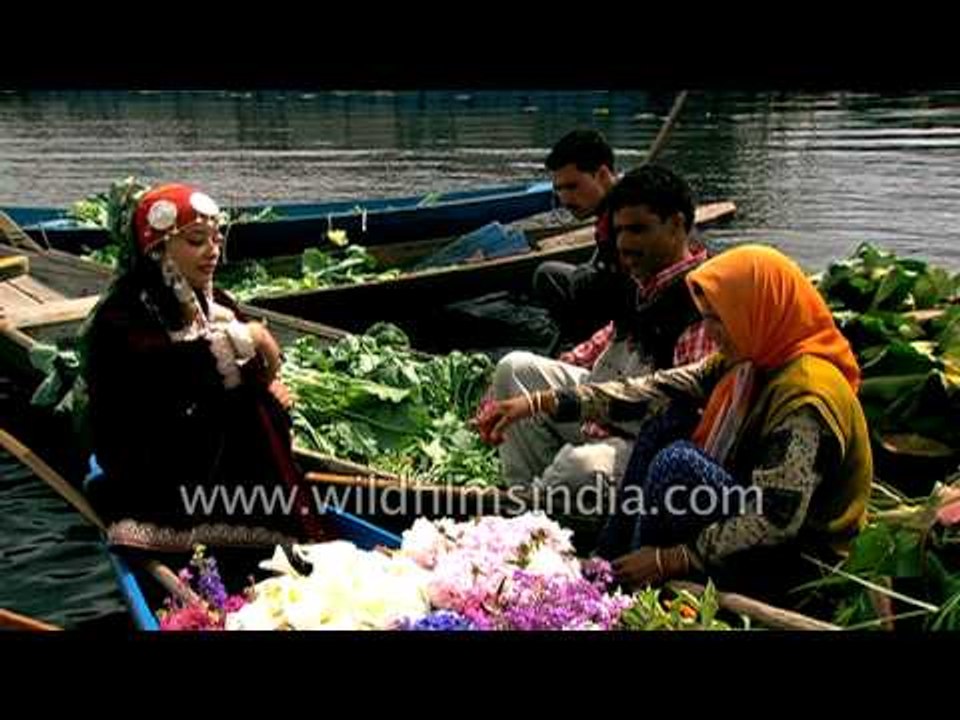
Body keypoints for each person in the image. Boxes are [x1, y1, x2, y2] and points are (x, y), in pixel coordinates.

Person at [485, 244, 873, 603]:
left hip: (797, 558)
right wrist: (544, 402)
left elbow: (774, 519)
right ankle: (610, 558)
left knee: (678, 462)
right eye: (707, 320)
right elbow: (655, 390)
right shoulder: (751, 358)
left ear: (759, 310)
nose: (713, 333)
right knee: (665, 421)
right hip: (754, 512)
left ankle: (629, 581)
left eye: (720, 320)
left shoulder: (806, 398)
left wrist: (675, 558)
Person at [81, 183, 324, 551]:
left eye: (216, 239)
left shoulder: (215, 302)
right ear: (158, 249)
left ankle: (278, 527)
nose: (212, 252)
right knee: (248, 410)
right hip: (153, 467)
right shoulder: (123, 315)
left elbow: (255, 364)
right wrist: (251, 339)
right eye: (197, 241)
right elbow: (169, 373)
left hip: (207, 459)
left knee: (262, 408)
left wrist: (262, 372)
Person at [477, 165, 716, 492]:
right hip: (602, 405)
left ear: (676, 225)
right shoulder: (641, 282)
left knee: (579, 467)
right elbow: (600, 346)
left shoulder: (702, 304)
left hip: (648, 441)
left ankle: (543, 509)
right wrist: (512, 395)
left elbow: (678, 414)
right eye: (618, 232)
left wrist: (545, 403)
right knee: (514, 368)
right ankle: (524, 492)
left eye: (637, 230)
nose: (623, 245)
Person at [534, 129, 627, 349]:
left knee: (569, 279)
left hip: (639, 307)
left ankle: (591, 347)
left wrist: (589, 279)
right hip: (620, 293)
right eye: (559, 189)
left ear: (603, 175)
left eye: (573, 186)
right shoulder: (606, 212)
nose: (565, 199)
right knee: (551, 275)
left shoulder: (627, 215)